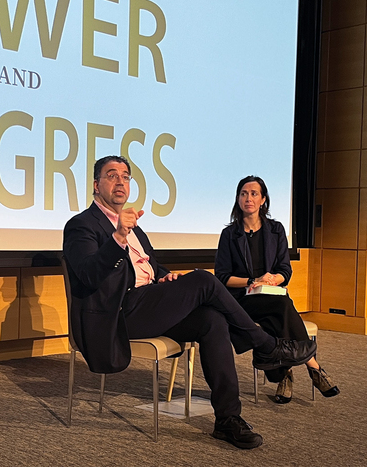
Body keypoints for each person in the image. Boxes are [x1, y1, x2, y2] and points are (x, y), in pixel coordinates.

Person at [62, 156, 317, 449]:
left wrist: (165, 277)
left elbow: (149, 268)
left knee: (212, 321)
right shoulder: (81, 225)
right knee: (204, 279)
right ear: (96, 185)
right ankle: (266, 346)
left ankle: (227, 419)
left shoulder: (136, 228)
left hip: (146, 303)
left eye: (125, 176)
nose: (120, 181)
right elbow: (89, 274)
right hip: (117, 313)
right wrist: (118, 236)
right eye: (111, 176)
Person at [214, 175, 340, 403]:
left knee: (276, 316)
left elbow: (285, 270)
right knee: (281, 307)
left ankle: (284, 375)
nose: (248, 198)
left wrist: (272, 280)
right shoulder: (229, 235)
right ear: (238, 199)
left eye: (253, 194)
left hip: (271, 295)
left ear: (263, 200)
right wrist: (252, 281)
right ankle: (313, 365)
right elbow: (222, 277)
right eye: (243, 194)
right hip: (243, 298)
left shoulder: (276, 230)